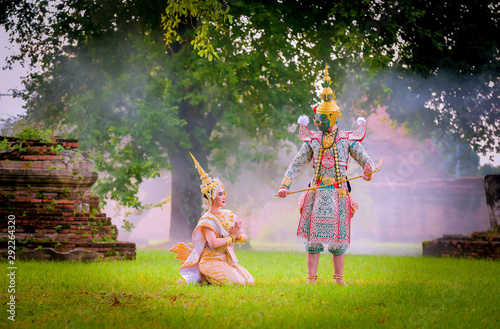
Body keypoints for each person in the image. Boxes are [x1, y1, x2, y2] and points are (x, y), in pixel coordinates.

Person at [277, 65, 375, 286]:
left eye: (321, 118)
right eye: (317, 118)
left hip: (340, 193)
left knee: (339, 240)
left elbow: (364, 160)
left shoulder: (347, 138)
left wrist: (368, 170)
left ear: (332, 116)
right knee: (313, 240)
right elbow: (297, 162)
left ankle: (338, 279)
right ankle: (312, 279)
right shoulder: (313, 139)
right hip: (316, 191)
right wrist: (285, 184)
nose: (317, 123)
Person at [170, 153, 254, 285]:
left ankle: (209, 279)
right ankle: (205, 277)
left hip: (226, 260)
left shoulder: (229, 214)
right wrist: (232, 237)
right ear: (211, 198)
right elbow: (213, 243)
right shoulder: (207, 220)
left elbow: (244, 236)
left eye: (224, 193)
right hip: (210, 261)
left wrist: (238, 235)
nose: (224, 196)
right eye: (220, 194)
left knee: (249, 281)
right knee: (238, 283)